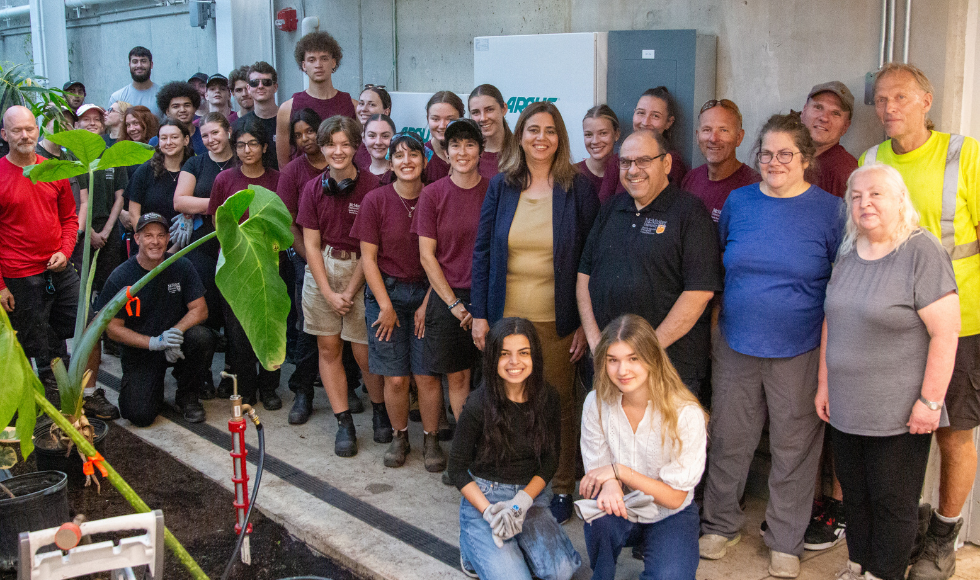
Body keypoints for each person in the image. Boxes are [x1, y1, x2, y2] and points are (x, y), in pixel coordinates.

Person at [699, 113, 843, 578]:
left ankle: (785, 539)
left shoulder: (830, 211)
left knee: (794, 447)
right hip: (736, 343)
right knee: (729, 440)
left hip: (800, 348)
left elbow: (841, 284)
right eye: (766, 153)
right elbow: (723, 272)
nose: (774, 161)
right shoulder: (739, 202)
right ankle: (720, 524)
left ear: (806, 159)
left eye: (785, 154)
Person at [861, 62, 980, 580]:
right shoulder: (871, 160)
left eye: (901, 98)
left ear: (926, 101)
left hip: (958, 325)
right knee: (897, 437)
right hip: (889, 328)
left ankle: (943, 538)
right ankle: (903, 530)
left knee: (953, 433)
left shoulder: (964, 154)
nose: (889, 108)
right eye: (882, 99)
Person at [816, 164, 960, 580]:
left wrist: (930, 402)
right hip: (846, 404)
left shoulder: (921, 251)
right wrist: (825, 384)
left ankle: (883, 574)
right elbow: (832, 319)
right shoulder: (848, 249)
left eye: (876, 194)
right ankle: (859, 564)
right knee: (856, 497)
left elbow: (945, 333)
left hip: (899, 412)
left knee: (892, 503)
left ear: (901, 200)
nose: (865, 203)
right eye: (856, 196)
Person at [471, 101, 599, 524]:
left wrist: (583, 320)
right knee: (505, 402)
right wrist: (480, 315)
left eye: (549, 130)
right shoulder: (501, 185)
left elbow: (589, 259)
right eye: (532, 129)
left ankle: (562, 484)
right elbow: (484, 250)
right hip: (505, 317)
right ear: (519, 136)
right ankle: (512, 478)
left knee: (558, 405)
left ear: (559, 139)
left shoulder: (577, 189)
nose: (540, 137)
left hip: (557, 319)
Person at [577, 130, 721, 399]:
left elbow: (699, 293)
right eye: (626, 162)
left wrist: (644, 351)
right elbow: (584, 275)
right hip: (609, 365)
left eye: (643, 161)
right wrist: (596, 343)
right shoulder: (611, 209)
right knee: (611, 439)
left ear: (665, 164)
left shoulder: (690, 213)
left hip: (669, 365)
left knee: (665, 441)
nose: (633, 170)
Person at [448, 317, 581, 580]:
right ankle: (471, 548)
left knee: (562, 572)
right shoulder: (477, 404)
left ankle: (515, 546)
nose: (514, 363)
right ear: (492, 358)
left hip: (528, 499)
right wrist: (488, 511)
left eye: (523, 353)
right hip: (487, 499)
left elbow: (551, 460)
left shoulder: (549, 398)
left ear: (535, 357)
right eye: (504, 354)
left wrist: (521, 503)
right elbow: (457, 469)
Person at [578, 314, 706, 580]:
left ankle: (661, 549)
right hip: (621, 505)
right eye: (613, 360)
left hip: (670, 513)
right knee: (599, 517)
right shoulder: (596, 403)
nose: (622, 370)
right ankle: (602, 574)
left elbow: (675, 497)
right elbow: (599, 470)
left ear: (652, 358)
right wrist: (612, 483)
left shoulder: (685, 412)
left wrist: (620, 472)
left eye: (633, 358)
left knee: (670, 576)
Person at [351, 132, 447, 470]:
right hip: (385, 294)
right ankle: (399, 435)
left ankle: (431, 439)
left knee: (427, 376)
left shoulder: (436, 197)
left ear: (424, 161)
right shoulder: (375, 201)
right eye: (399, 155)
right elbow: (368, 259)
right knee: (395, 377)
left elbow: (443, 259)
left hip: (428, 293)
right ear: (390, 163)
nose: (406, 161)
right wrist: (386, 306)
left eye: (413, 155)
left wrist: (428, 302)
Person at [296, 115, 384, 457]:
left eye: (345, 144)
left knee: (365, 353)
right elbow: (311, 246)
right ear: (322, 147)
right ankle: (343, 421)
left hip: (362, 270)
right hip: (322, 272)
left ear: (356, 147)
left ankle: (379, 411)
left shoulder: (374, 189)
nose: (338, 151)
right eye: (331, 144)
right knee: (329, 349)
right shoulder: (311, 189)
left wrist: (348, 291)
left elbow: (370, 249)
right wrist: (328, 291)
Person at [95, 212, 214, 425]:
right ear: (138, 238)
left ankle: (187, 395)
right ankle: (152, 385)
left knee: (201, 337)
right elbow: (112, 328)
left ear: (169, 238)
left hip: (176, 344)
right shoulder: (122, 276)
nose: (156, 242)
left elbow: (200, 309)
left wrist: (174, 333)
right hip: (142, 349)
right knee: (139, 415)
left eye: (161, 235)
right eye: (148, 235)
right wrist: (154, 343)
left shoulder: (181, 265)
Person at [0, 106, 83, 407]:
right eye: (16, 130)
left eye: (29, 128)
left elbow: (70, 219)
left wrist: (65, 250)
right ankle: (43, 402)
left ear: (38, 130)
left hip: (58, 267)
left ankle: (68, 389)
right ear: (4, 134)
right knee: (33, 341)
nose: (24, 135)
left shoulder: (54, 169)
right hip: (20, 275)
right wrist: (0, 286)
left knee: (78, 322)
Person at [415, 120, 489, 443]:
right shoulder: (432, 195)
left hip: (488, 294)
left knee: (492, 379)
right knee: (457, 378)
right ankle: (466, 451)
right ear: (445, 152)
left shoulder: (494, 190)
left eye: (469, 144)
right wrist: (456, 306)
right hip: (449, 300)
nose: (462, 152)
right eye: (455, 145)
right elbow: (427, 257)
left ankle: (494, 450)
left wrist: (482, 305)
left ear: (480, 150)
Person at [205, 118, 283, 409]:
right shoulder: (224, 180)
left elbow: (283, 221)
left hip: (270, 262)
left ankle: (270, 387)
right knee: (239, 332)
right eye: (240, 145)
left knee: (270, 325)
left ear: (264, 147)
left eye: (253, 144)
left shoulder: (277, 179)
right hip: (235, 264)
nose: (247, 150)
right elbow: (217, 220)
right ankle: (247, 388)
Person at [277, 108, 326, 424]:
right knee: (309, 328)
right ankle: (303, 391)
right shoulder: (293, 172)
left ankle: (346, 386)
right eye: (299, 134)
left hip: (345, 261)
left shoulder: (345, 165)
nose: (306, 138)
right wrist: (312, 260)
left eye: (311, 130)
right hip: (305, 260)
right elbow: (288, 224)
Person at [174, 112, 235, 339]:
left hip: (235, 243)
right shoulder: (195, 163)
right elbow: (180, 201)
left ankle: (233, 366)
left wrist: (198, 205)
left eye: (216, 133)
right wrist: (222, 204)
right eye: (205, 135)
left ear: (228, 131)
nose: (211, 139)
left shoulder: (241, 160)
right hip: (202, 243)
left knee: (234, 307)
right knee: (205, 301)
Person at [276, 31, 358, 168]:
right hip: (302, 186)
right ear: (304, 65)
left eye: (324, 58)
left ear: (333, 62)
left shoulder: (353, 105)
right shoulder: (287, 109)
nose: (318, 64)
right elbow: (283, 165)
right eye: (312, 59)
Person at [74, 104, 128, 296]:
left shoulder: (112, 153)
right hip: (79, 230)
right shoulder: (70, 156)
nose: (92, 123)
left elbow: (120, 195)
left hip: (109, 230)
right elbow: (74, 201)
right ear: (76, 124)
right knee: (81, 287)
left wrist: (106, 231)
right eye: (86, 119)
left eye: (96, 119)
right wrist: (89, 233)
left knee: (109, 285)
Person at [681, 99, 760, 223]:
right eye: (707, 130)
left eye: (723, 130)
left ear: (739, 137)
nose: (713, 138)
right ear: (697, 136)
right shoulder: (690, 179)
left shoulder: (753, 187)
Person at [128, 119, 193, 228]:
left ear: (186, 140)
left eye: (174, 137)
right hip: (150, 240)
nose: (168, 142)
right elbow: (134, 213)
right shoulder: (145, 170)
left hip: (186, 240)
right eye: (163, 138)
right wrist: (145, 239)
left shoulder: (194, 169)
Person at [801, 81, 858, 198]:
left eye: (836, 113)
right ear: (804, 111)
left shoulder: (844, 171)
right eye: (818, 107)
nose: (824, 118)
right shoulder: (785, 157)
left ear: (845, 126)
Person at [633, 87, 687, 184]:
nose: (645, 122)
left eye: (655, 116)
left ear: (669, 122)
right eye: (640, 113)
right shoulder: (619, 159)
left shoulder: (671, 162)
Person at [234, 61, 279, 169]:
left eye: (266, 82)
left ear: (275, 87)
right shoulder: (238, 125)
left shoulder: (289, 118)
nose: (260, 86)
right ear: (249, 88)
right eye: (255, 83)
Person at [576, 105, 624, 205]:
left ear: (616, 134)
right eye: (588, 135)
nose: (595, 141)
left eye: (603, 133)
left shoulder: (628, 172)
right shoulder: (572, 174)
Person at [468, 84, 515, 180]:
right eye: (476, 112)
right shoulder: (466, 154)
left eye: (489, 110)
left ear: (504, 109)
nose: (483, 118)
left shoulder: (522, 152)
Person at [422, 91, 464, 184]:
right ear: (427, 119)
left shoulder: (471, 156)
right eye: (435, 119)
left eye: (450, 119)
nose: (442, 125)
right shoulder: (420, 156)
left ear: (461, 120)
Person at [108, 46, 162, 119]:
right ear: (129, 65)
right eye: (135, 62)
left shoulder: (162, 95)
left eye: (143, 61)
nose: (139, 65)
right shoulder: (117, 97)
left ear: (151, 64)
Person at [155, 81, 206, 155]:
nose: (182, 110)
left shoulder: (206, 137)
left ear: (194, 108)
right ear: (167, 111)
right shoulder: (157, 141)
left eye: (187, 105)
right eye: (176, 106)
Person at [354, 84, 392, 170]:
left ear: (386, 112)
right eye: (361, 103)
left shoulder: (393, 145)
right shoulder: (351, 142)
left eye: (371, 105)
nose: (364, 109)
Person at [362, 114, 395, 179]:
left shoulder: (401, 175)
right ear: (363, 139)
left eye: (385, 136)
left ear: (394, 138)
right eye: (372, 136)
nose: (378, 142)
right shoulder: (359, 176)